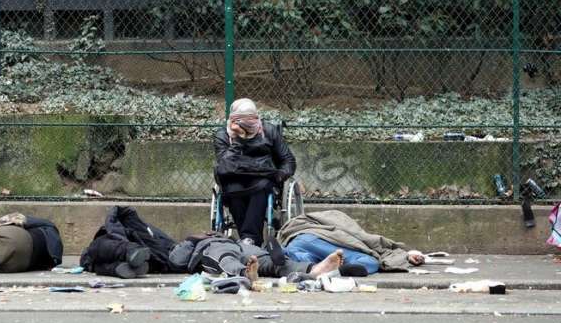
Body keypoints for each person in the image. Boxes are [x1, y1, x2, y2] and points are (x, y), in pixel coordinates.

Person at [214, 98, 295, 246]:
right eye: (240, 121)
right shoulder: (223, 136)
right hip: (234, 178)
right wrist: (238, 140)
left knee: (261, 188)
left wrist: (280, 174)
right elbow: (223, 166)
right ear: (233, 120)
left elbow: (288, 160)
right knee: (233, 190)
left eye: (250, 120)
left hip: (262, 179)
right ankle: (250, 239)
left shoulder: (268, 131)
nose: (246, 124)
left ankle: (249, 239)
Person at [278, 210, 426, 276]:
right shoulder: (352, 236)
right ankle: (335, 269)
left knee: (305, 261)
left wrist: (406, 255)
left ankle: (290, 255)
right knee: (370, 261)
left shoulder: (341, 228)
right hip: (313, 239)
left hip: (297, 241)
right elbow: (372, 242)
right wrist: (405, 256)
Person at [168, 232, 343, 281]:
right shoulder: (198, 243)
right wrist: (192, 239)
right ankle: (245, 272)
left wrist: (222, 236)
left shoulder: (222, 237)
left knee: (272, 262)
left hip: (241, 246)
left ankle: (314, 269)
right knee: (226, 258)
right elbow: (176, 261)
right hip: (214, 250)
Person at [80, 206, 178, 279]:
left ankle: (127, 255)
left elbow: (115, 215)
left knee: (96, 251)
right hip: (135, 244)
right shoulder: (171, 248)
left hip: (136, 247)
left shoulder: (171, 249)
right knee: (95, 261)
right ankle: (121, 263)